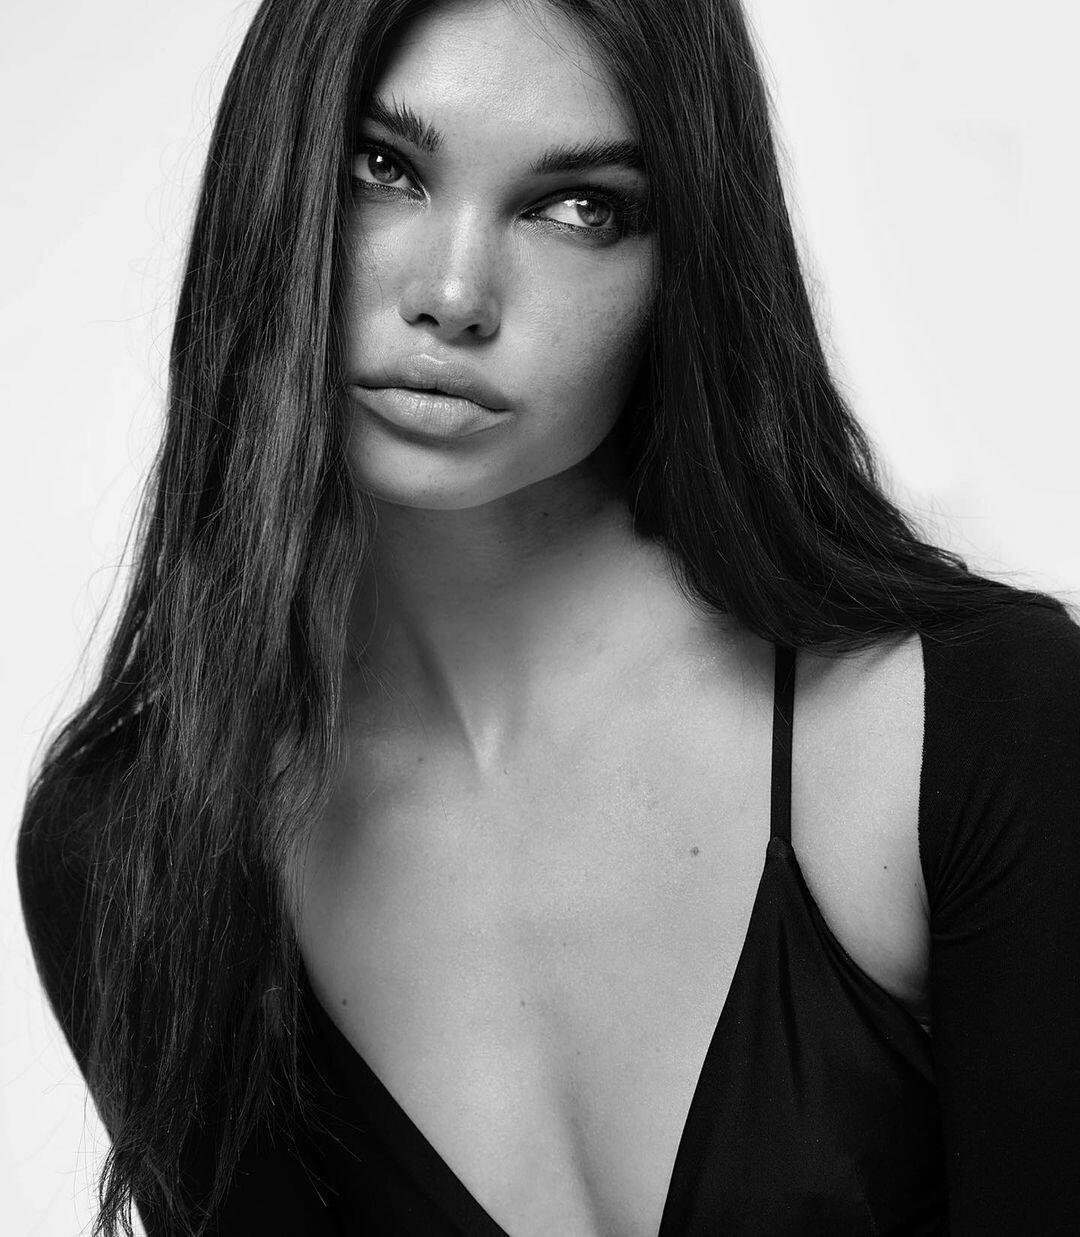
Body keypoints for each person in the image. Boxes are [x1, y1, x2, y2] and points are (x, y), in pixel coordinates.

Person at [16, 0, 1080, 1233]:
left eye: (579, 208)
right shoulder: (137, 850)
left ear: (686, 264)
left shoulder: (961, 730)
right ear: (275, 176)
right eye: (383, 168)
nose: (455, 295)